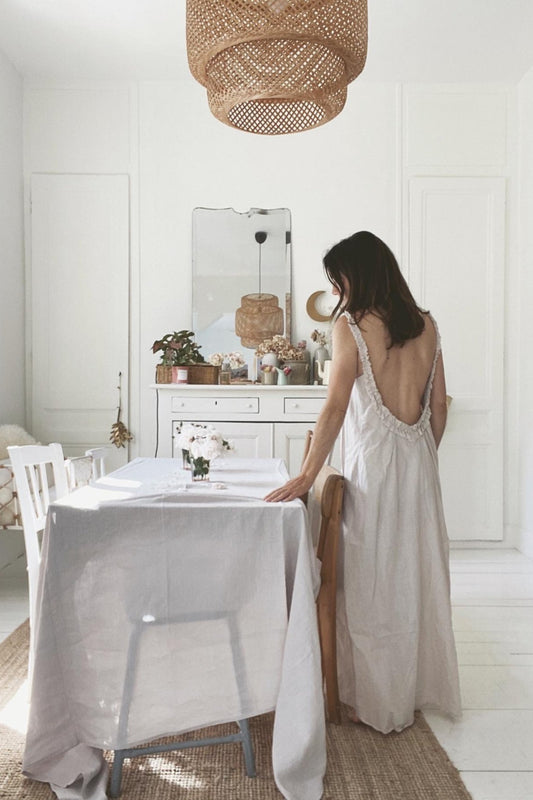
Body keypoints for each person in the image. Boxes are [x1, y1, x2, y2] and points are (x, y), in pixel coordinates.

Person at [265, 230, 461, 733]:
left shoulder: (352, 326)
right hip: (419, 465)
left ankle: (373, 700)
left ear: (358, 274)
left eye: (339, 279)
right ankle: (408, 691)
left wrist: (307, 474)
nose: (337, 290)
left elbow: (334, 406)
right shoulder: (427, 325)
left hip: (371, 465)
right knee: (411, 576)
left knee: (371, 581)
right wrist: (421, 458)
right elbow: (438, 408)